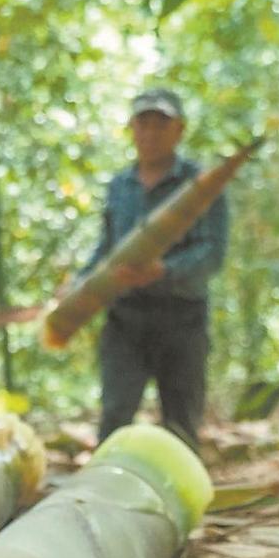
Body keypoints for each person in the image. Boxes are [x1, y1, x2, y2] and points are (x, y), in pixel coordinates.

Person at [82, 88, 229, 447]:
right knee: (115, 415)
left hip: (181, 318)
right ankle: (103, 497)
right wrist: (80, 284)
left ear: (179, 130)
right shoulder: (120, 185)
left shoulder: (202, 185)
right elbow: (107, 248)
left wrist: (165, 270)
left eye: (160, 125)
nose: (150, 134)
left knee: (180, 422)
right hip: (125, 318)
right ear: (131, 129)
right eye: (142, 124)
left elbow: (213, 253)